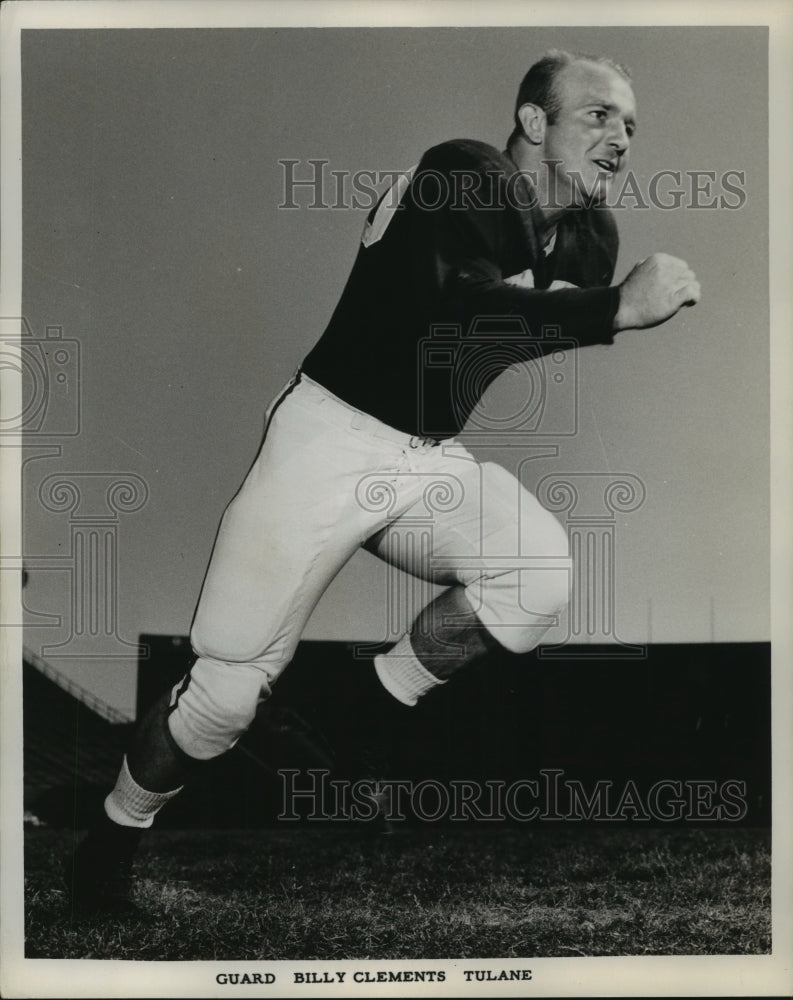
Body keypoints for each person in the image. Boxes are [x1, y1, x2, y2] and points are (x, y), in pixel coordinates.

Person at [65, 49, 699, 912]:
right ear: (532, 122)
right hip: (328, 436)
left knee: (536, 573)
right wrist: (612, 310)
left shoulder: (589, 239)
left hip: (426, 453)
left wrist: (594, 304)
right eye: (598, 115)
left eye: (631, 123)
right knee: (221, 699)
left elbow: (513, 335)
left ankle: (364, 709)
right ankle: (110, 839)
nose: (621, 137)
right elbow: (458, 312)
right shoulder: (460, 175)